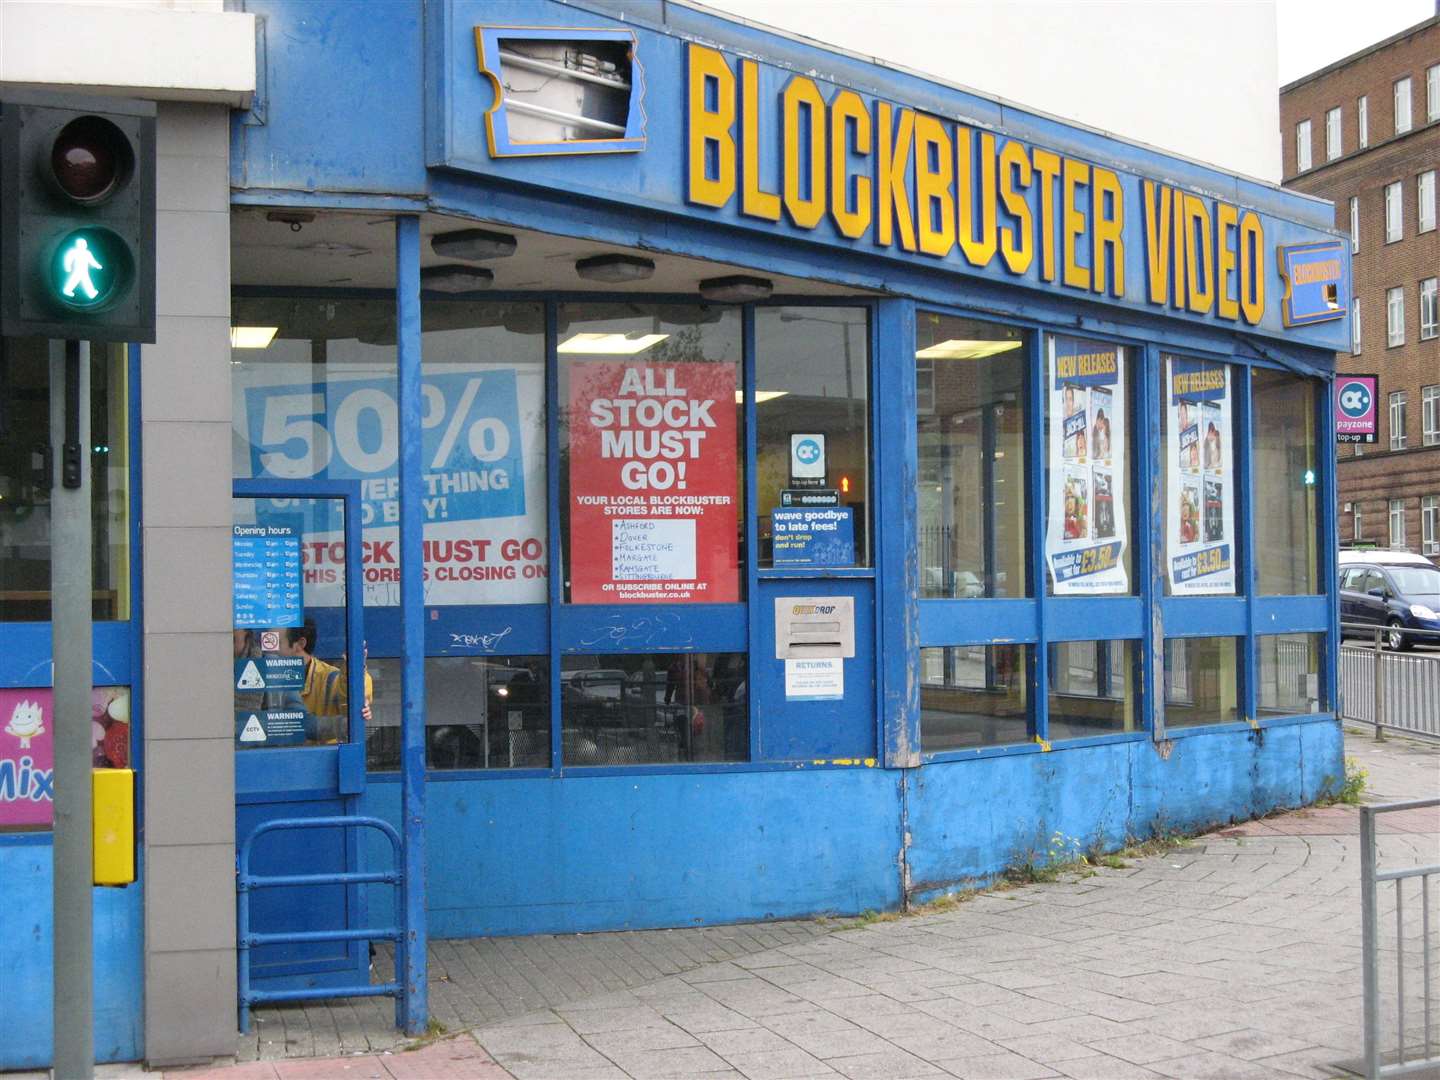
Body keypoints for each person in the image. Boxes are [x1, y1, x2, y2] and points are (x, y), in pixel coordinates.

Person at [280, 619, 373, 742]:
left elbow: (350, 705)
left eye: (278, 643)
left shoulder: (329, 677)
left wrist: (355, 671)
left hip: (322, 758)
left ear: (300, 644)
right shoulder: (269, 677)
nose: (268, 650)